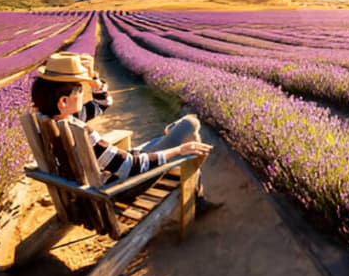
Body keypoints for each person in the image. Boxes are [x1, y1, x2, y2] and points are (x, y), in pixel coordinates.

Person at [31, 52, 223, 215]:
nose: (83, 91)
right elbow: (131, 166)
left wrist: (94, 80)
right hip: (119, 188)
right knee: (189, 126)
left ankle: (173, 143)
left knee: (163, 139)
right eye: (79, 88)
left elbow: (102, 103)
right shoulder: (80, 132)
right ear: (64, 101)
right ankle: (196, 202)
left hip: (94, 185)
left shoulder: (50, 121)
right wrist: (178, 151)